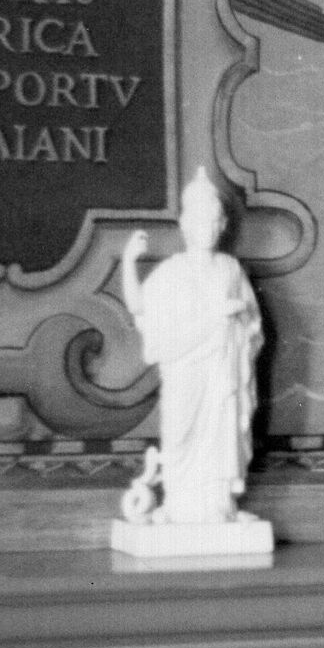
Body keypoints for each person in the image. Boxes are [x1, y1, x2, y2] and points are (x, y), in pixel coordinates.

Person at [121, 167, 262, 525]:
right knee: (180, 433)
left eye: (214, 222)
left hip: (221, 371)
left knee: (219, 436)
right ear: (185, 226)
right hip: (184, 368)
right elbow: (139, 306)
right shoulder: (172, 272)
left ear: (223, 225)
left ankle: (219, 507)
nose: (208, 229)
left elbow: (253, 325)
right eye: (201, 222)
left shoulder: (230, 269)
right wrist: (128, 262)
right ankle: (179, 507)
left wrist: (239, 319)